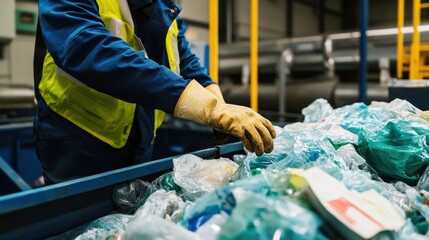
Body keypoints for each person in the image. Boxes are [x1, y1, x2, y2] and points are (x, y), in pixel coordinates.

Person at [33, 0, 276, 184]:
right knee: (78, 226)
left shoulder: (162, 6)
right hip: (78, 139)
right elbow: (85, 46)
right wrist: (209, 109)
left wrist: (218, 106)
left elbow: (186, 62)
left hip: (140, 135)